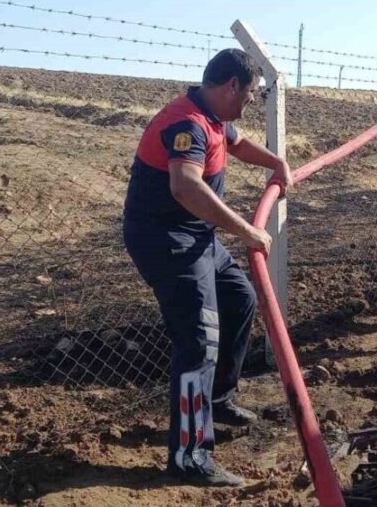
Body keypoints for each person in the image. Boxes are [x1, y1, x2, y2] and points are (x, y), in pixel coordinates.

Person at [122, 49, 292, 487]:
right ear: (230, 85)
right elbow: (185, 185)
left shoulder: (213, 116)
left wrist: (276, 162)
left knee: (239, 298)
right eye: (250, 94)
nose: (250, 102)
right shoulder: (187, 122)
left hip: (197, 236)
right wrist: (246, 232)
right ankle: (190, 456)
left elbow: (235, 143)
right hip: (168, 241)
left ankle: (218, 398)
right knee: (199, 339)